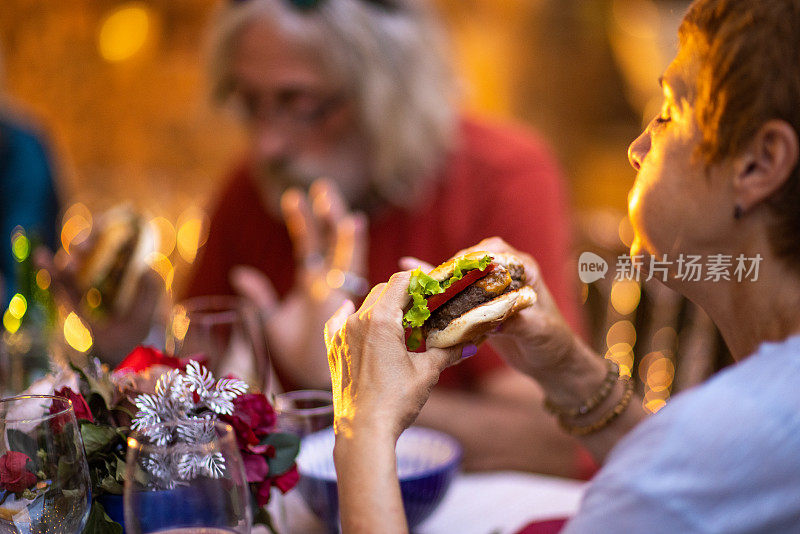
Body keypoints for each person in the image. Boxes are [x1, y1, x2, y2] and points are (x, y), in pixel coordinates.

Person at [325, 0, 800, 531]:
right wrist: (567, 370)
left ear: (760, 163)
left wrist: (361, 425)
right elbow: (700, 488)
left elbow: (672, 484)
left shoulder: (721, 444)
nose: (637, 147)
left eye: (668, 113)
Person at [185, 0, 593, 477]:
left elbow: (557, 444)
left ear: (390, 92)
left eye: (302, 104)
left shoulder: (503, 177)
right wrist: (120, 344)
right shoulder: (249, 190)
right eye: (250, 103)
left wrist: (342, 383)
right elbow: (190, 405)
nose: (266, 144)